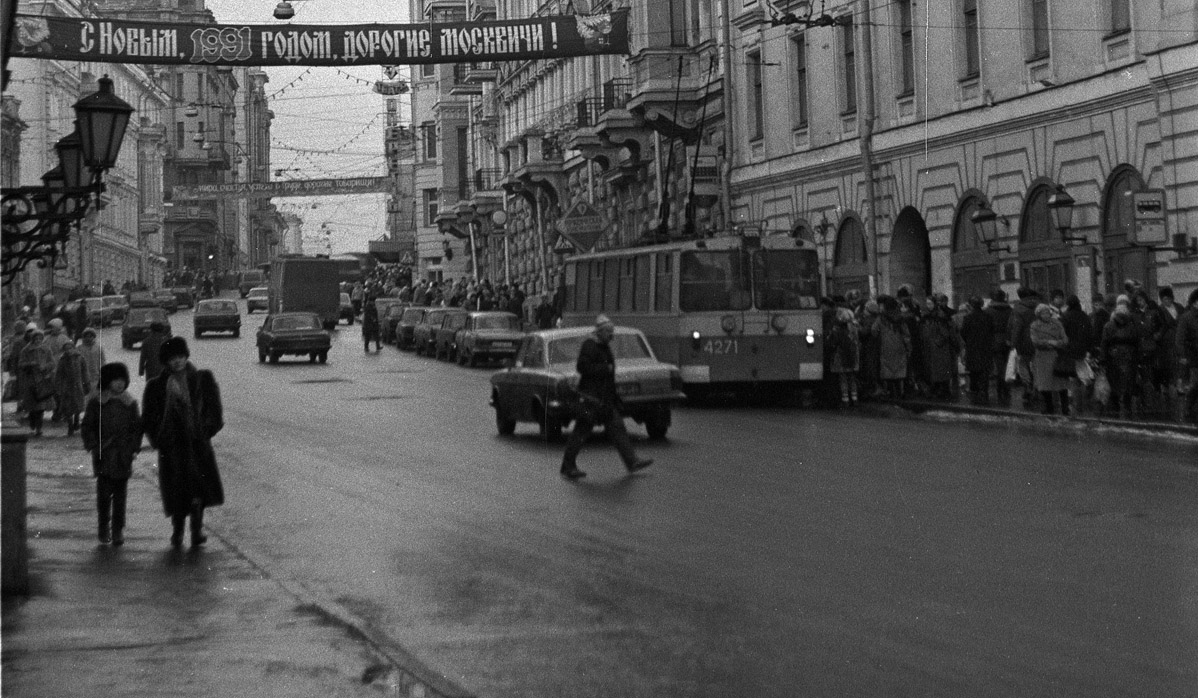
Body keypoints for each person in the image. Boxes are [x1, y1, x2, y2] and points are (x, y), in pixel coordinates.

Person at [141, 337, 225, 548]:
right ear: (165, 361)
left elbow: (214, 409)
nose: (177, 362)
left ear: (186, 356)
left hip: (197, 443)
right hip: (172, 446)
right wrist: (159, 439)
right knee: (177, 490)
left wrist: (206, 429)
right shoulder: (156, 386)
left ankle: (196, 530)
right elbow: (149, 417)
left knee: (199, 489)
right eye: (172, 358)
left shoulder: (202, 378)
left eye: (180, 357)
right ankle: (177, 531)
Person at [560, 315, 653, 480]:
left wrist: (614, 396)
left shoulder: (604, 346)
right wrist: (604, 368)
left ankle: (632, 461)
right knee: (581, 432)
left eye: (612, 332)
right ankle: (568, 466)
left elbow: (608, 375)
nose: (612, 335)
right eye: (609, 332)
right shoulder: (590, 345)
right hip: (590, 399)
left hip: (604, 400)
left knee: (618, 428)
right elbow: (582, 367)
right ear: (600, 332)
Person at [81, 363, 142, 546]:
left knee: (121, 495)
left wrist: (133, 447)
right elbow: (87, 427)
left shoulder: (130, 403)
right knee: (104, 493)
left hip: (123, 454)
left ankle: (118, 529)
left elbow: (136, 428)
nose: (120, 384)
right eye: (116, 380)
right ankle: (103, 526)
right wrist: (93, 445)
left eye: (123, 380)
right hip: (104, 453)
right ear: (107, 381)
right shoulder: (97, 403)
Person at [1030, 303, 1071, 415]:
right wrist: (1049, 342)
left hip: (1056, 357)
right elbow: (1035, 341)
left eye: (1048, 312)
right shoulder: (1035, 326)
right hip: (1042, 358)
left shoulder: (1057, 324)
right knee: (1045, 385)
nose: (1047, 315)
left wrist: (1057, 343)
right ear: (1039, 314)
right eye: (1044, 313)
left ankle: (1065, 408)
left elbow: (1065, 340)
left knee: (1061, 384)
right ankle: (1049, 408)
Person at [18, 328, 56, 436]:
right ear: (32, 339)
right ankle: (32, 419)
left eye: (40, 338)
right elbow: (21, 364)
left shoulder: (46, 349)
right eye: (36, 338)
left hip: (43, 380)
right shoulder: (26, 350)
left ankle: (39, 428)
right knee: (32, 405)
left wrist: (46, 367)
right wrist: (30, 364)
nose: (38, 340)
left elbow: (52, 363)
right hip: (30, 380)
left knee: (41, 406)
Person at [960, 296, 994, 400]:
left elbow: (963, 332)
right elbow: (992, 330)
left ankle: (974, 389)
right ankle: (984, 390)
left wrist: (968, 341)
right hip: (985, 346)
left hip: (972, 345)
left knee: (973, 369)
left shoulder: (968, 317)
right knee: (984, 369)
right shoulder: (988, 316)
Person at [54, 339, 89, 436]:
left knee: (78, 405)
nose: (68, 350)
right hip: (66, 386)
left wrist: (86, 382)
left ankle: (77, 420)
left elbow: (85, 371)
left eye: (70, 348)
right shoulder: (62, 360)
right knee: (67, 407)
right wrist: (58, 386)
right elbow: (59, 374)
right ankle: (70, 425)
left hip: (78, 385)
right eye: (66, 349)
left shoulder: (80, 358)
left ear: (73, 348)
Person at [827, 307, 860, 405]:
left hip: (840, 356)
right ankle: (855, 398)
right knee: (852, 378)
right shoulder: (854, 328)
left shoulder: (836, 329)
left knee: (843, 378)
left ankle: (845, 399)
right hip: (853, 356)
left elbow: (832, 342)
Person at [984, 290, 1013, 400]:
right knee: (1007, 366)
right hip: (1007, 340)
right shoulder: (1010, 310)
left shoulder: (988, 311)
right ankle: (1005, 388)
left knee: (999, 365)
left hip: (994, 340)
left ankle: (1000, 388)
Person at [1176, 288, 1198, 424]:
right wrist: (1183, 355)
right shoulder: (1187, 317)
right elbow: (1180, 339)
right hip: (1193, 356)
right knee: (1195, 383)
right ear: (1195, 303)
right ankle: (1187, 407)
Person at [78, 327, 105, 392]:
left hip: (96, 375)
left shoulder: (98, 348)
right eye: (86, 336)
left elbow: (102, 360)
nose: (89, 338)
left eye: (90, 336)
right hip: (84, 377)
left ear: (93, 337)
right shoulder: (79, 349)